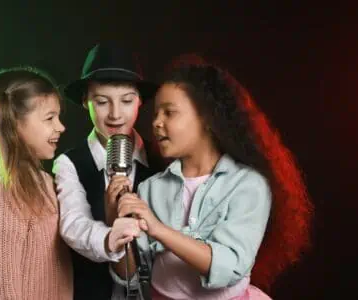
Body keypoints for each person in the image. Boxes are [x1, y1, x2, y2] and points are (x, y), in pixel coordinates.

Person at [114, 64, 313, 299]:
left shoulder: (248, 185)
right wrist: (116, 222)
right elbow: (131, 274)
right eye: (156, 113)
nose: (157, 122)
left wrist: (159, 230)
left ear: (207, 118)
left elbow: (228, 267)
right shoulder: (151, 188)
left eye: (169, 112)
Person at [52, 42, 164, 299]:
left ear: (140, 102)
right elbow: (74, 224)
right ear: (85, 101)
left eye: (126, 101)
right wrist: (112, 236)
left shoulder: (162, 161)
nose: (115, 114)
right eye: (102, 102)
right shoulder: (69, 164)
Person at [0, 67, 73, 299]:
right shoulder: (0, 189)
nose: (61, 127)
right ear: (15, 123)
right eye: (49, 118)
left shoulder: (48, 182)